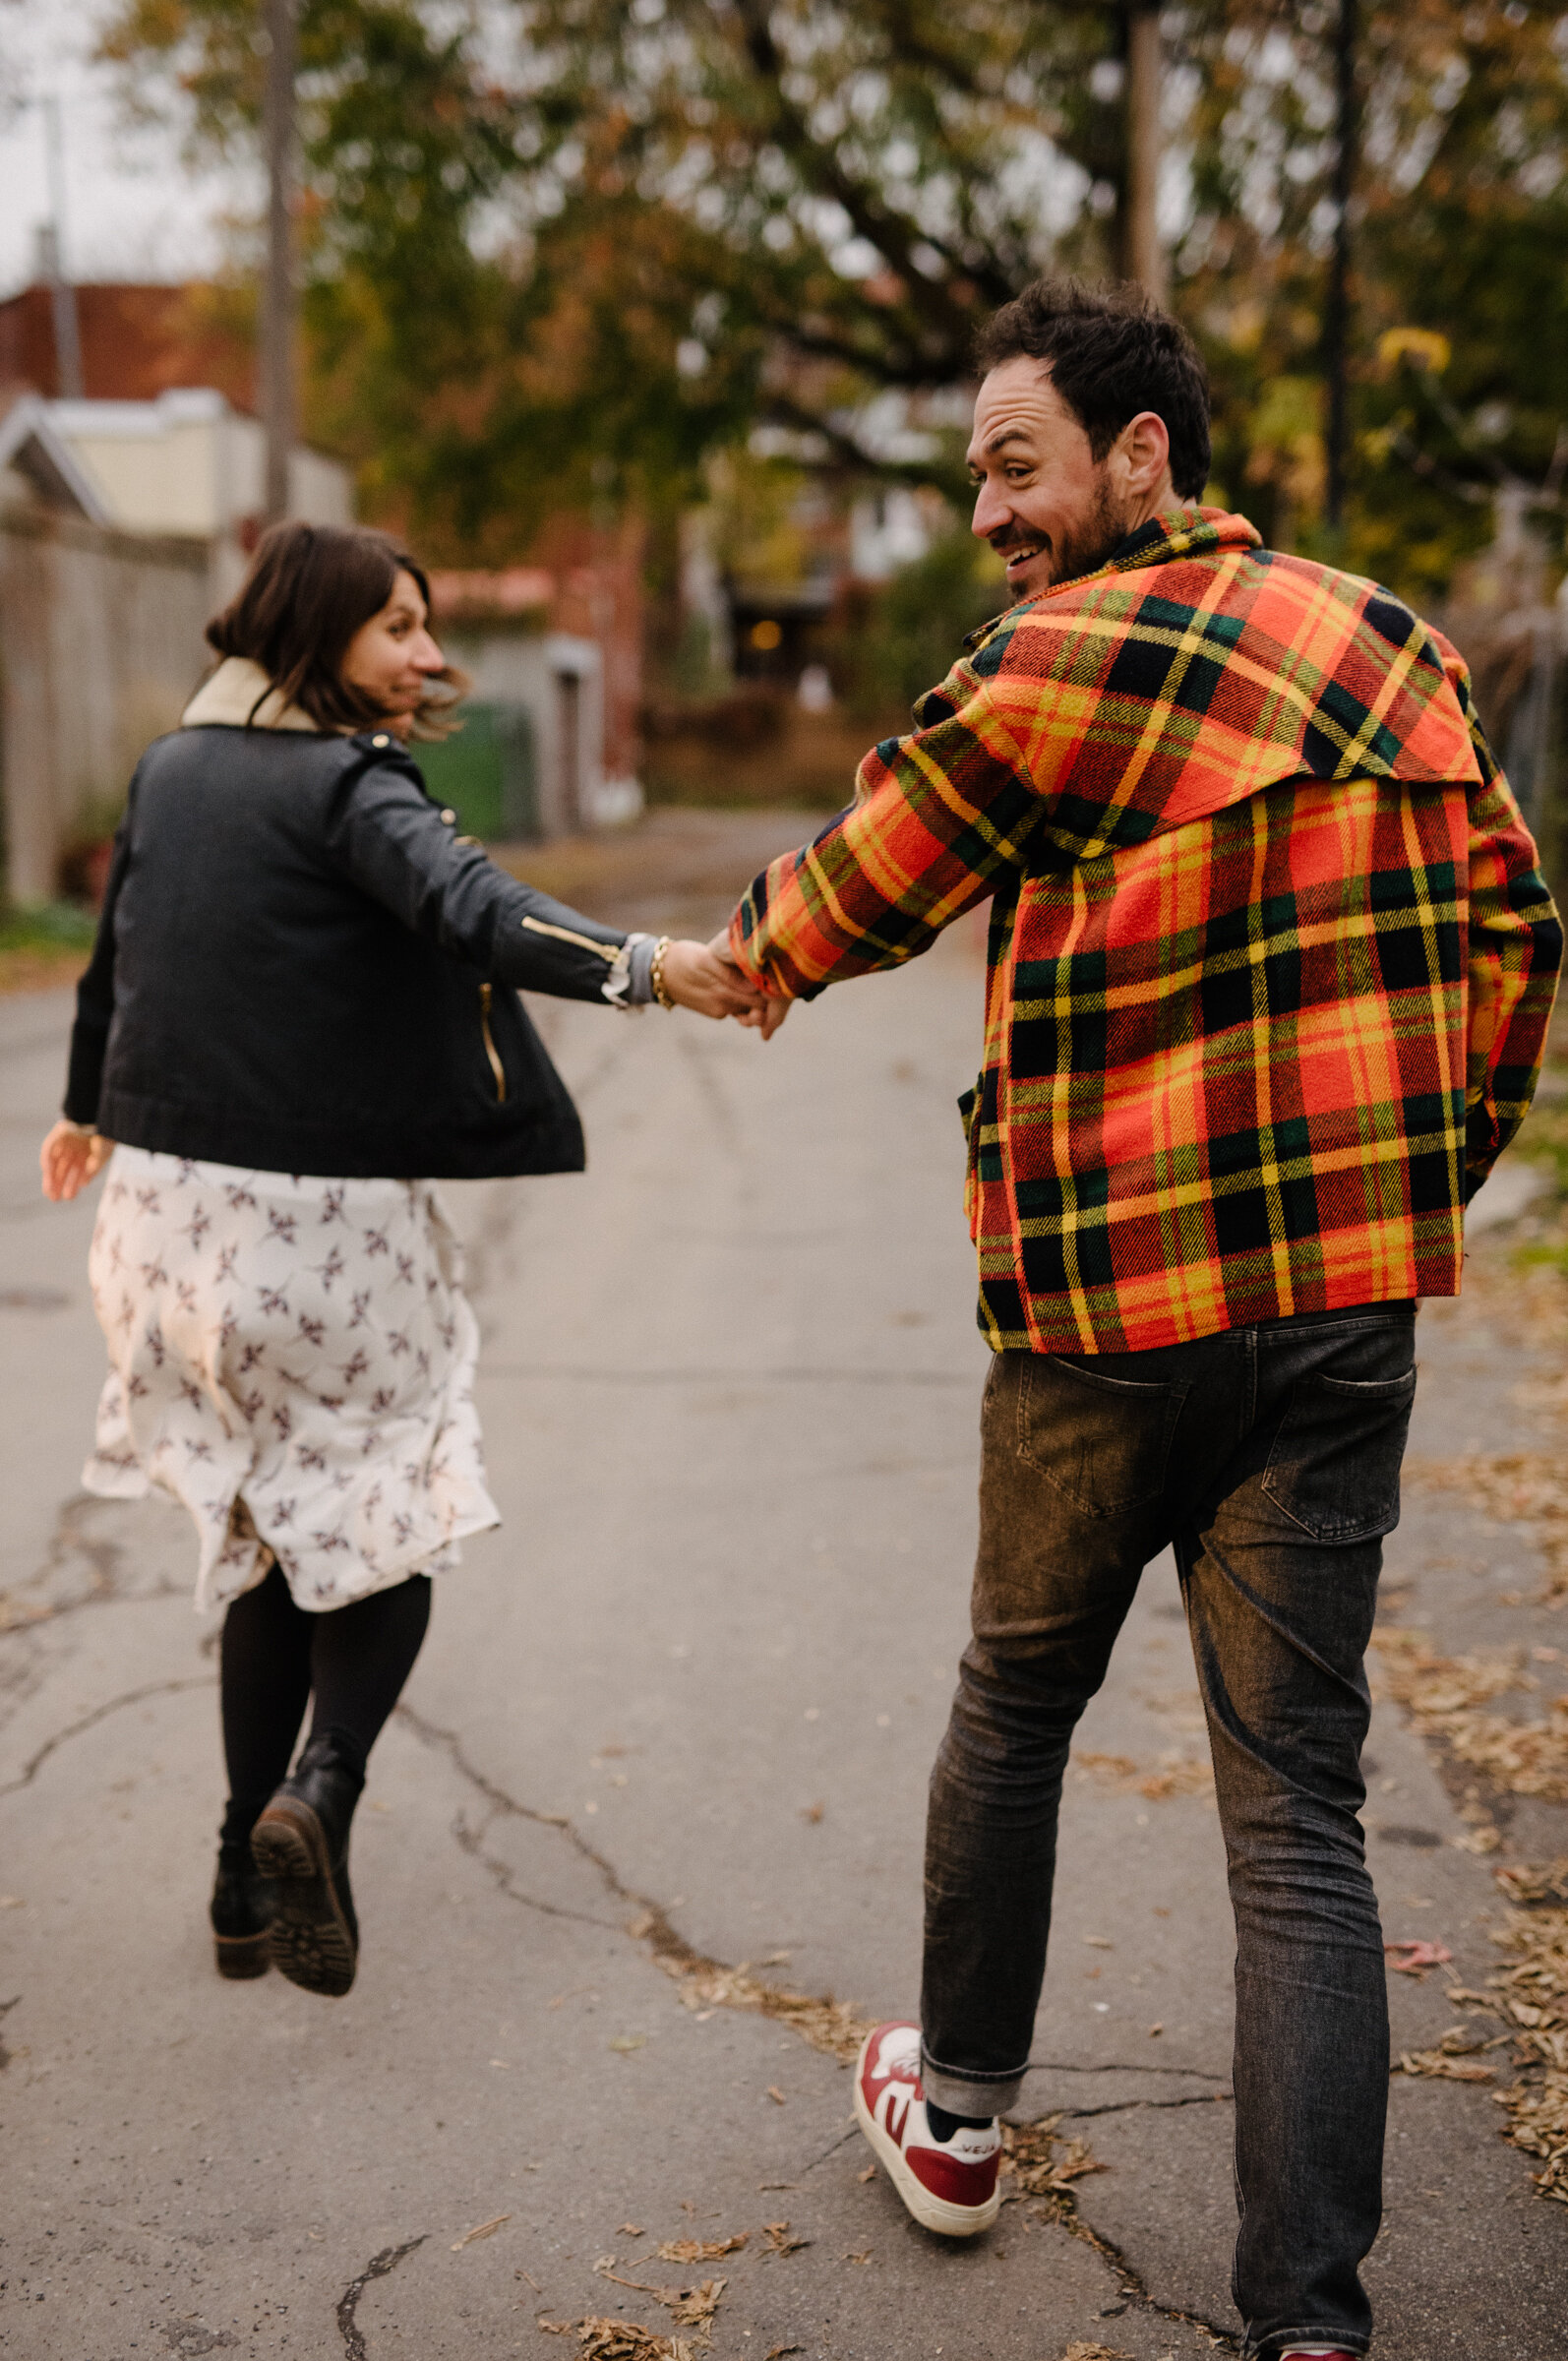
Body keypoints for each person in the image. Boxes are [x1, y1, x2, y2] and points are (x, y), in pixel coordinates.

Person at [713, 279, 1561, 2360]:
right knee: (1302, 1810)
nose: (991, 509)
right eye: (976, 473)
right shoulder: (1394, 648)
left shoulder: (1050, 665)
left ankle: (963, 2121)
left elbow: (843, 902)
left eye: (1017, 462)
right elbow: (1519, 937)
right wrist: (1407, 1188)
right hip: (1339, 1313)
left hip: (1106, 1318)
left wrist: (715, 966)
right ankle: (1314, 2319)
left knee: (1016, 1708)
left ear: (1141, 456)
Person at [41, 519, 765, 2000]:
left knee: (264, 1534)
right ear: (316, 636)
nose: (428, 655)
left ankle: (242, 1875)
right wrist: (651, 967)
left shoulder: (172, 769)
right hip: (315, 1231)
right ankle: (326, 1789)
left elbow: (115, 954)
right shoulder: (347, 784)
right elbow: (477, 912)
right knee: (396, 1505)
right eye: (397, 628)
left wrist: (76, 1106)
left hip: (160, 1227)